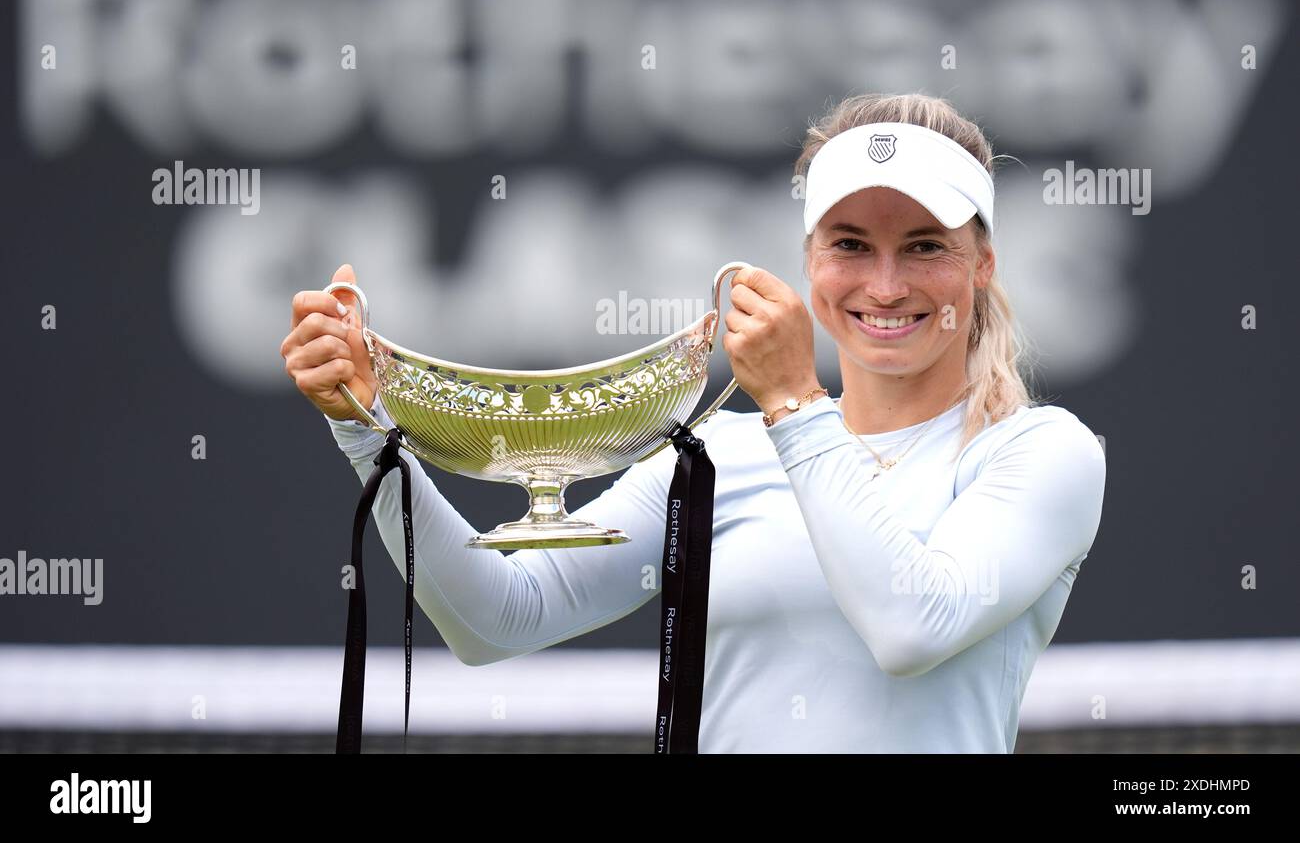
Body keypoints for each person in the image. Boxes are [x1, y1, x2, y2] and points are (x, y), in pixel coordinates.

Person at [279, 91, 1106, 752]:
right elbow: (501, 617)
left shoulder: (1041, 453)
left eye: (926, 246)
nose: (885, 286)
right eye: (851, 245)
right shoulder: (720, 452)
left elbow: (911, 628)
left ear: (983, 263)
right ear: (811, 258)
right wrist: (366, 424)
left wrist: (791, 401)